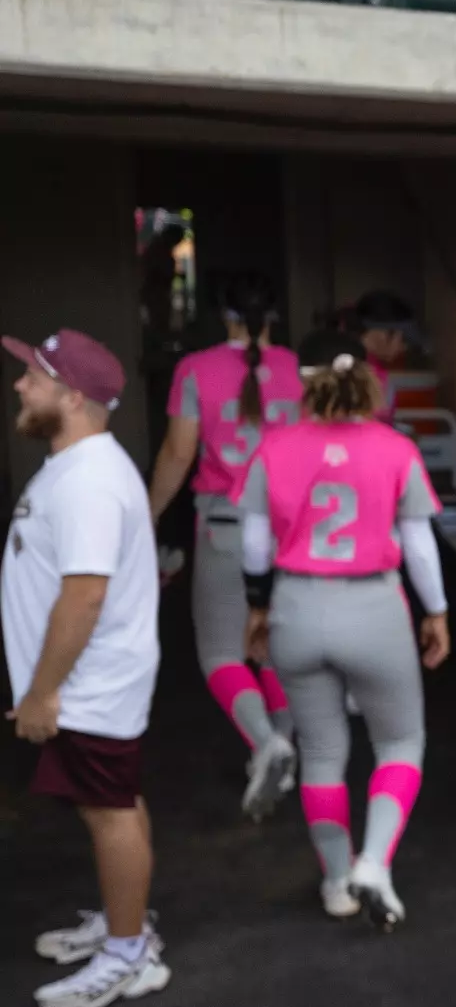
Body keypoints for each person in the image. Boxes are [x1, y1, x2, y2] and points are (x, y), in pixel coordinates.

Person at [238, 332, 448, 929]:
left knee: (323, 753)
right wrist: (436, 613)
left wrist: (257, 609)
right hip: (374, 608)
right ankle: (374, 864)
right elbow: (419, 548)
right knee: (401, 743)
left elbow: (253, 546)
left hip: (297, 608)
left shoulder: (274, 446)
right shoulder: (394, 447)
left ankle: (336, 882)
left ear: (308, 383)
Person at [5, 330, 169, 1007]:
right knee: (113, 803)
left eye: (34, 377)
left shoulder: (92, 479)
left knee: (110, 812)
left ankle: (129, 953)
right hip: (84, 684)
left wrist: (43, 690)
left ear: (72, 395)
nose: (20, 386)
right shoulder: (74, 465)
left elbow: (85, 593)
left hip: (88, 686)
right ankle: (125, 919)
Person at [148, 274, 303, 818]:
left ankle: (266, 743)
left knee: (221, 652)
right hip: (289, 528)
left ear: (223, 314)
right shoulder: (293, 368)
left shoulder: (196, 369)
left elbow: (176, 451)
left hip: (225, 525)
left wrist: (146, 515)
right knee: (277, 647)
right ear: (273, 314)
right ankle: (282, 748)